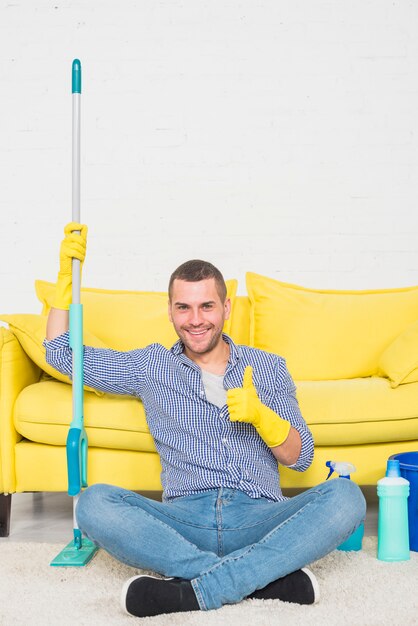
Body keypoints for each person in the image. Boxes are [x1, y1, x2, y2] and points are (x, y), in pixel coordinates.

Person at [45, 223, 366, 618]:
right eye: (184, 307)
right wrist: (65, 278)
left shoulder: (267, 367)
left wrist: (265, 418)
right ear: (170, 311)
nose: (195, 320)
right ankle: (260, 580)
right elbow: (61, 356)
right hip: (183, 520)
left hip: (259, 516)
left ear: (226, 308)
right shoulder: (152, 366)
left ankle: (191, 590)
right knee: (93, 503)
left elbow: (300, 458)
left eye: (207, 306)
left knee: (347, 498)